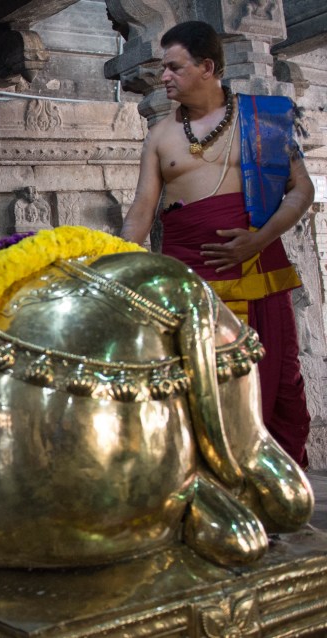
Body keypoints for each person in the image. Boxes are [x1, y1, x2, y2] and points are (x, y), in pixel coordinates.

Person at [121, 21, 315, 468]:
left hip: (257, 271)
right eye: (162, 68)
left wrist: (258, 241)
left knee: (275, 385)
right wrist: (118, 262)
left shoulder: (264, 120)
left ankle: (269, 496)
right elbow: (141, 212)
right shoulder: (161, 136)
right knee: (192, 388)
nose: (163, 76)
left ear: (207, 67)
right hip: (188, 282)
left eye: (174, 67)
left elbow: (300, 191)